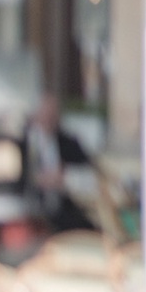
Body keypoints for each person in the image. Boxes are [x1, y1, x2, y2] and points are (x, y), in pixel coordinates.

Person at [22, 94, 96, 233]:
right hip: (30, 214)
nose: (49, 118)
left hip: (65, 215)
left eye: (53, 114)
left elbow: (90, 177)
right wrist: (38, 179)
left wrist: (66, 178)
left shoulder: (70, 143)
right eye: (45, 113)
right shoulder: (22, 144)